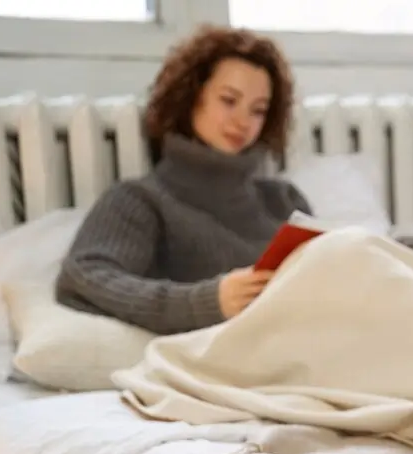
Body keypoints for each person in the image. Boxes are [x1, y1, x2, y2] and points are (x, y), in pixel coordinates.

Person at [54, 24, 312, 335]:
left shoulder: (284, 200)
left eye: (258, 111)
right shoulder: (140, 201)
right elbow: (83, 278)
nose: (242, 121)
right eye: (229, 100)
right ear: (191, 97)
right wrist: (205, 302)